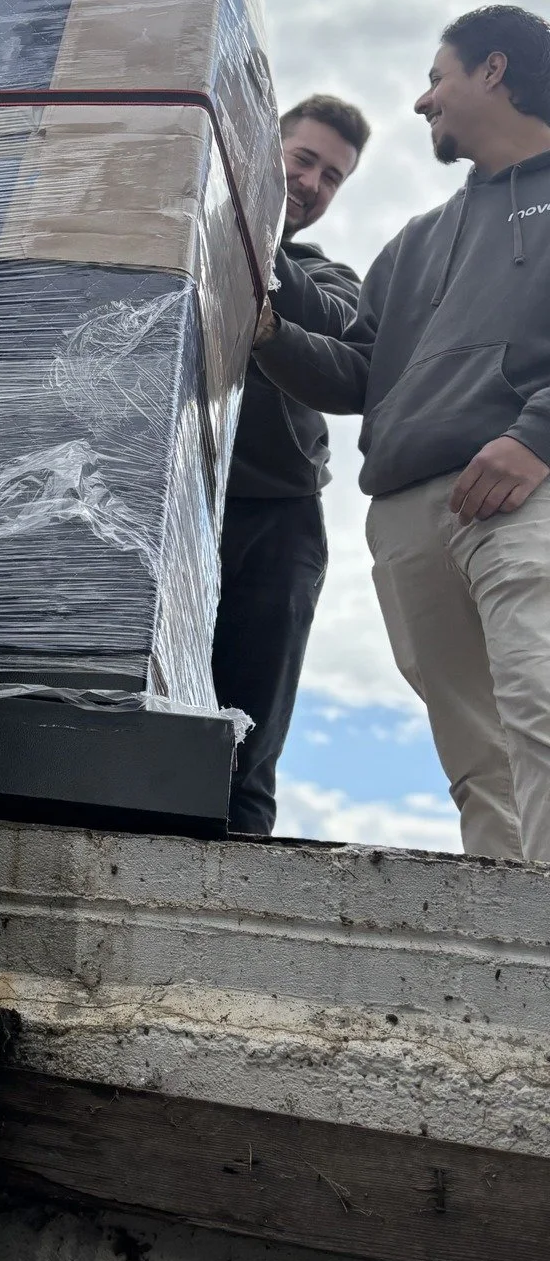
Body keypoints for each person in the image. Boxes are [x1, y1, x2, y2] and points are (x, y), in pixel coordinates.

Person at [255, 6, 550, 862]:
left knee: (539, 711)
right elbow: (357, 374)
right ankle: (510, 963)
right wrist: (268, 334)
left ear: (492, 71)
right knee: (476, 762)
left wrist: (538, 436)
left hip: (521, 496)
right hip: (405, 519)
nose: (425, 103)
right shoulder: (413, 243)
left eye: (436, 78)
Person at [213, 95, 368, 836]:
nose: (312, 182)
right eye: (302, 159)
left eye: (332, 176)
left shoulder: (328, 275)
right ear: (264, 147)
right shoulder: (186, 230)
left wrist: (249, 213)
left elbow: (333, 326)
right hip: (169, 510)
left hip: (278, 522)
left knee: (250, 743)